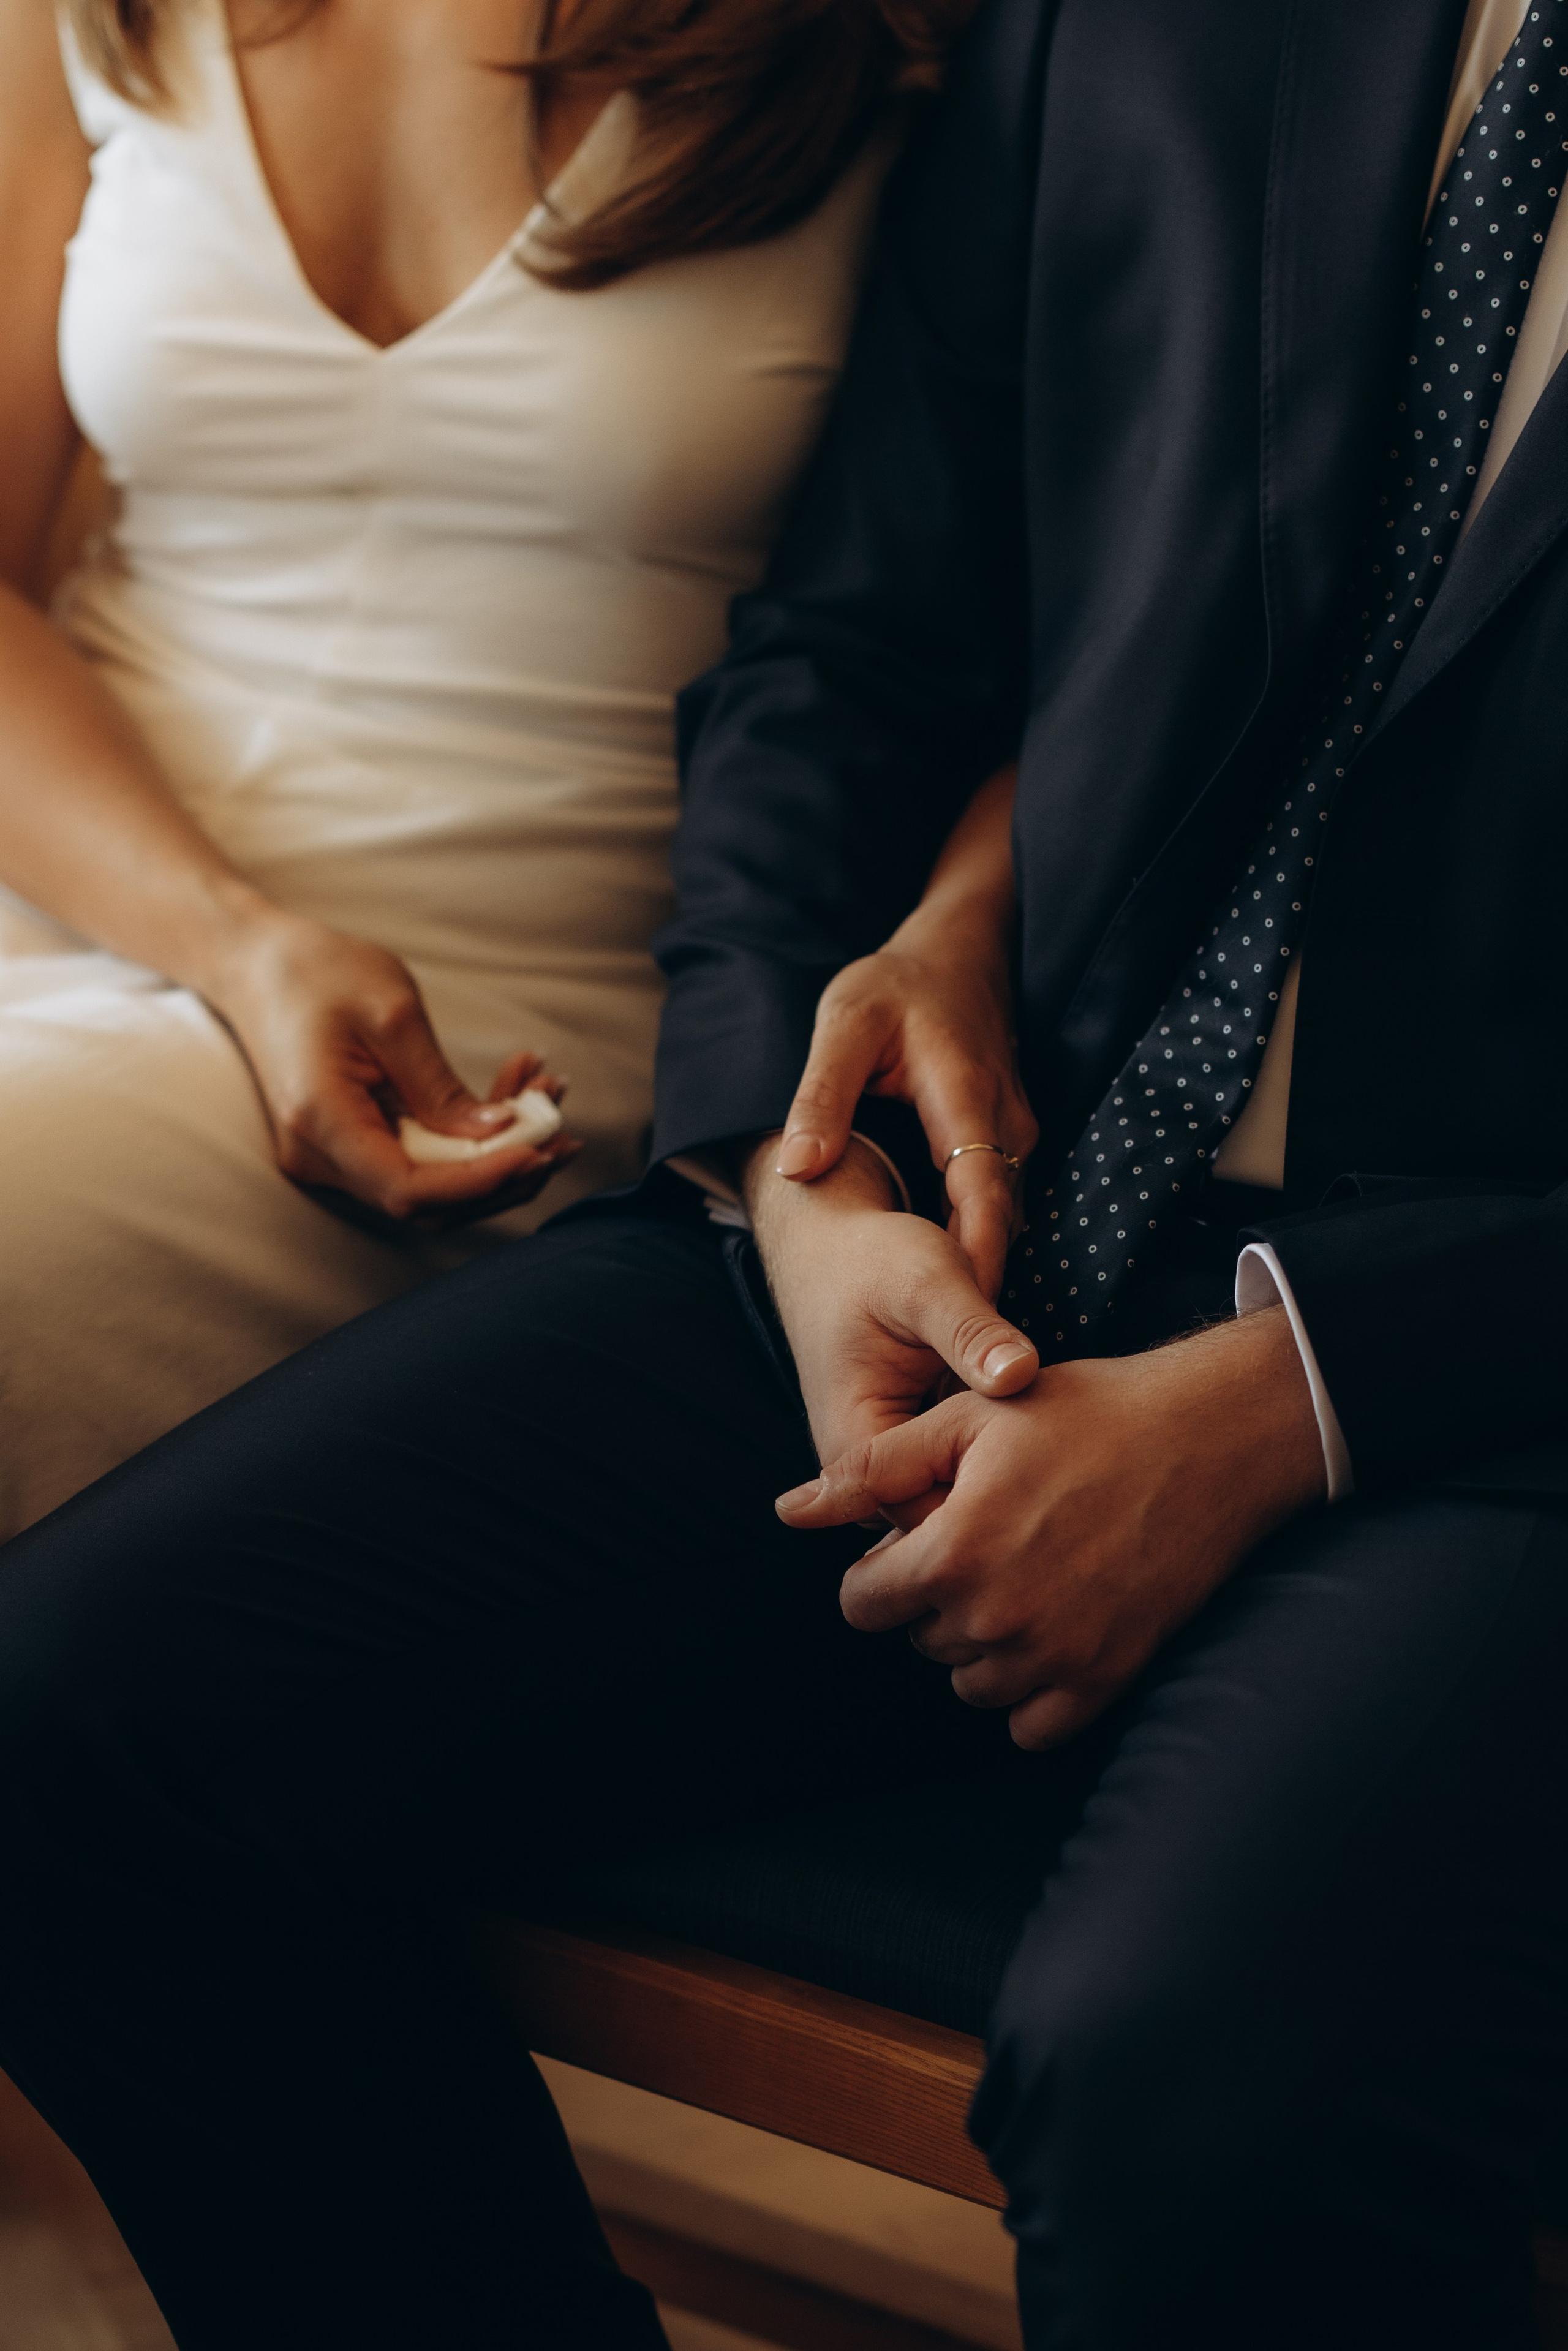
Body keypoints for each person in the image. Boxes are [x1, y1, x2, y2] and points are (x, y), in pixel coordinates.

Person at [1, 0, 1566, 2344]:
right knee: (79, 1718)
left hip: (1485, 1368)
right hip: (993, 1185)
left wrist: (1299, 1390)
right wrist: (802, 1164)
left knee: (1189, 2088)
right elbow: (864, 642)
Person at [0, 0, 960, 1537]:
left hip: (493, 1030)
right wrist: (237, 945)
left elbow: (1007, 638)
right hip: (93, 878)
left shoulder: (889, 47)